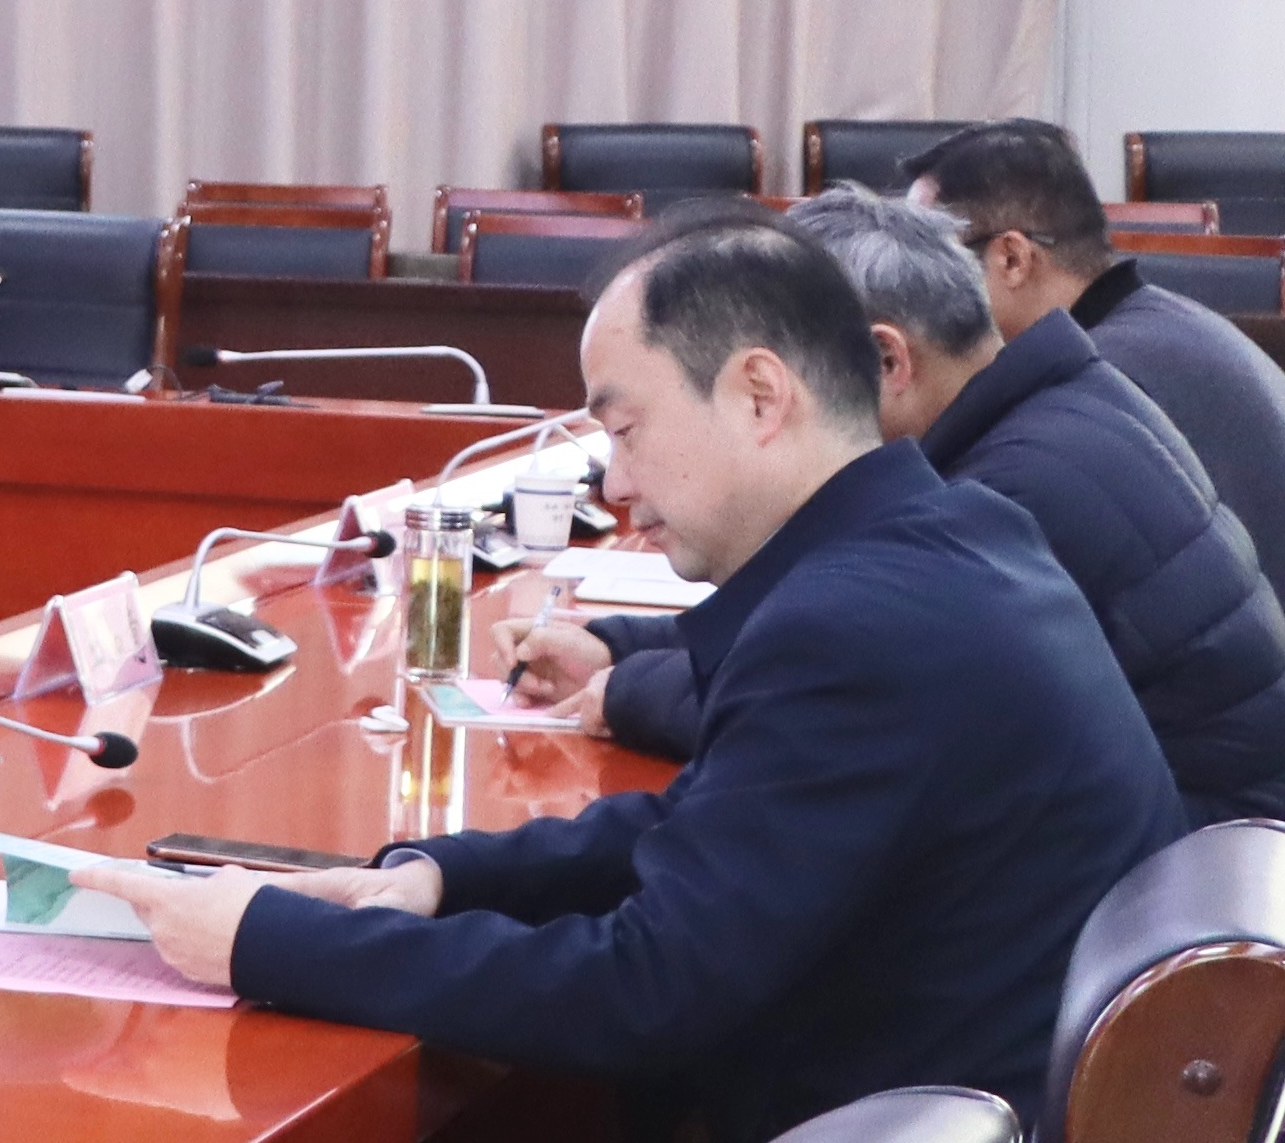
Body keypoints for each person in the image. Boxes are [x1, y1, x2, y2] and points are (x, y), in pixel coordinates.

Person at [112, 214, 1183, 1143]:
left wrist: (265, 942)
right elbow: (712, 823)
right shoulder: (949, 533)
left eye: (625, 432)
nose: (615, 485)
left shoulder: (852, 625)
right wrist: (439, 873)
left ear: (760, 395)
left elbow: (644, 991)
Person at [505, 184, 1285, 818]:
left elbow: (833, 701)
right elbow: (813, 644)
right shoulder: (1055, 406)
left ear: (883, 360)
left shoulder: (1010, 491)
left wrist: (629, 691)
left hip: (1190, 870)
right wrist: (619, 645)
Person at [912, 118, 1285, 583]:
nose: (912, 297)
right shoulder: (1166, 321)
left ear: (1012, 259)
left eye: (928, 265)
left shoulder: (1094, 388)